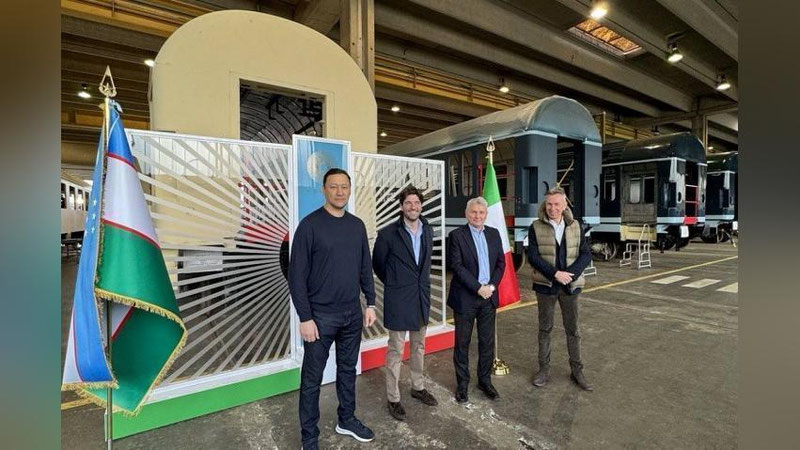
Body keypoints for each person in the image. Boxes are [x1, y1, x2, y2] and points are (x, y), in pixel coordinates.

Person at [288, 168, 377, 450]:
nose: (340, 192)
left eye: (344, 187)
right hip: (320, 317)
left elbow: (365, 267)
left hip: (352, 313)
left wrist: (370, 302)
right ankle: (309, 437)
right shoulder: (309, 226)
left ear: (350, 190)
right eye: (334, 186)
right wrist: (305, 317)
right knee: (312, 379)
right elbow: (296, 276)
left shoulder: (357, 225)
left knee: (348, 370)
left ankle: (346, 419)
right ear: (324, 189)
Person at [372, 186, 438, 421]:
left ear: (421, 205)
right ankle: (393, 398)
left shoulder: (428, 230)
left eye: (416, 203)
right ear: (401, 206)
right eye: (408, 203)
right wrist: (396, 283)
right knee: (396, 349)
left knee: (419, 346)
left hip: (421, 297)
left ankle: (418, 387)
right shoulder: (388, 233)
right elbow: (378, 264)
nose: (413, 207)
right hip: (399, 298)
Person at [526, 187, 594, 391]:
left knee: (573, 330)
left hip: (570, 287)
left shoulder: (575, 226)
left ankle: (577, 371)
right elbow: (533, 257)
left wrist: (570, 275)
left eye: (557, 204)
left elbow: (585, 254)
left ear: (565, 205)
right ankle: (544, 370)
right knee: (545, 329)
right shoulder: (535, 226)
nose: (552, 208)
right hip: (546, 286)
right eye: (549, 204)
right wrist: (555, 274)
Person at [446, 196, 506, 403]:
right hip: (466, 298)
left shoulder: (494, 234)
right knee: (462, 343)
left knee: (487, 342)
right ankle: (462, 384)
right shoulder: (456, 235)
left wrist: (491, 287)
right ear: (467, 214)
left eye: (481, 212)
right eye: (474, 212)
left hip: (489, 297)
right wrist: (478, 288)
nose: (477, 216)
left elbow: (501, 264)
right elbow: (457, 266)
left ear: (486, 214)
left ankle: (485, 381)